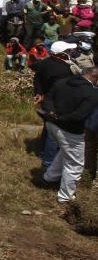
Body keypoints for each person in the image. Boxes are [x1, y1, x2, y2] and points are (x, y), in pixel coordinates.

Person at [41, 67, 98, 203]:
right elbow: (80, 115)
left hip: (51, 125)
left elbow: (48, 98)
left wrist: (51, 113)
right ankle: (65, 197)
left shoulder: (62, 81)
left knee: (65, 152)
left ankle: (49, 178)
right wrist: (61, 118)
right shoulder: (92, 93)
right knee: (75, 164)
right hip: (69, 130)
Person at [32, 41, 78, 170]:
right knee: (54, 131)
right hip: (57, 102)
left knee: (48, 127)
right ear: (62, 54)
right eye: (68, 51)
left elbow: (37, 78)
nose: (70, 53)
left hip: (46, 99)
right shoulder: (64, 69)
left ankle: (42, 151)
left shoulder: (45, 63)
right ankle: (48, 161)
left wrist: (39, 92)